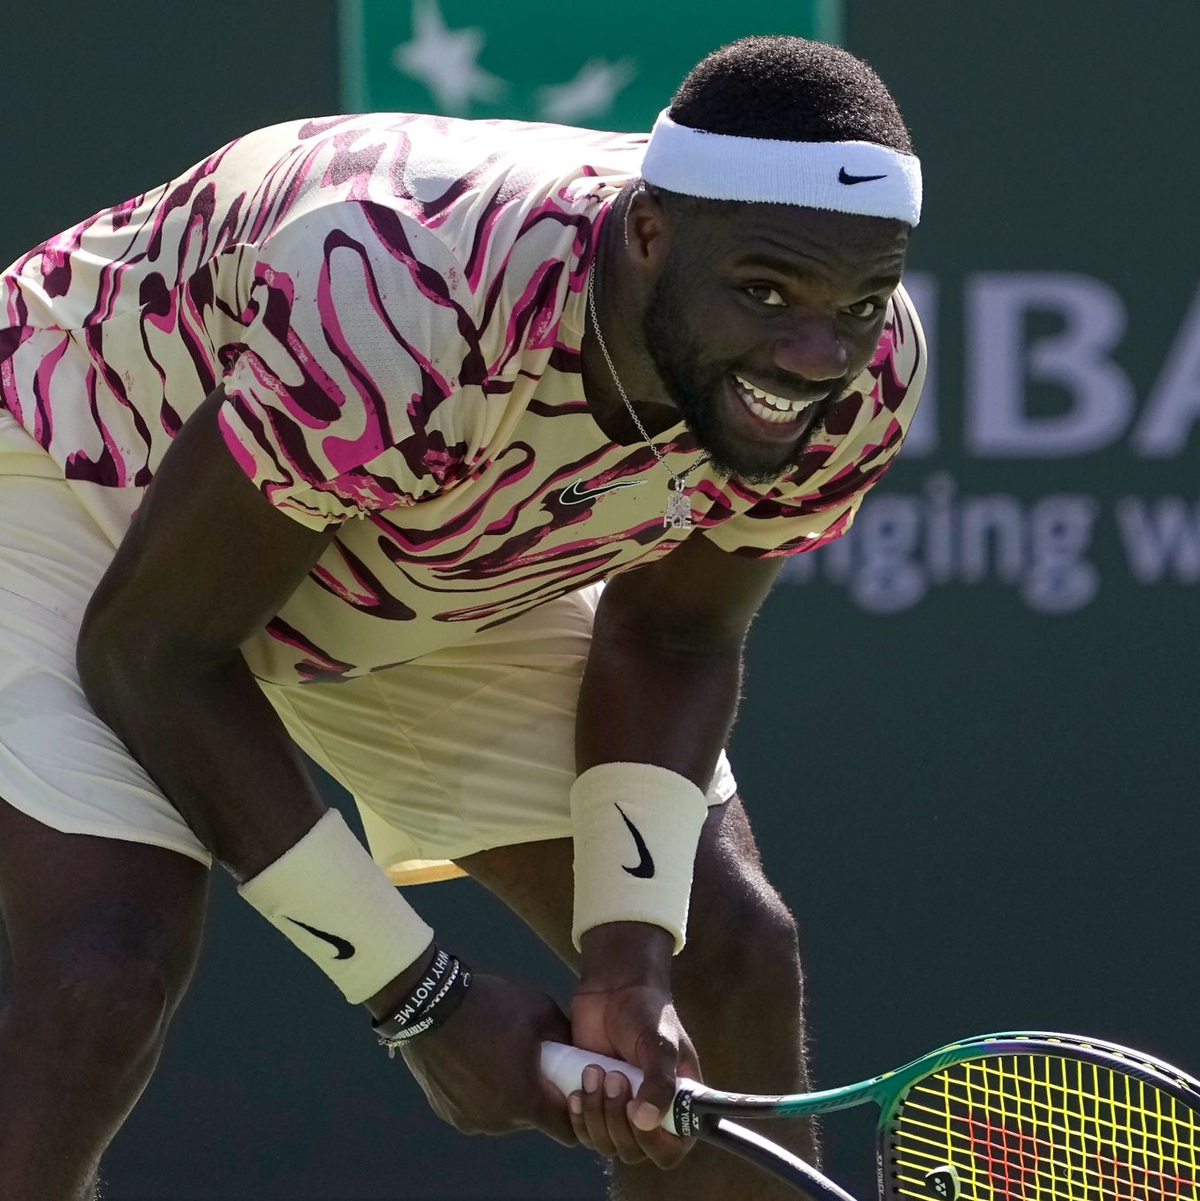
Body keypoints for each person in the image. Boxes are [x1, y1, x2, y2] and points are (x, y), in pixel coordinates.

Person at [0, 33, 924, 1201]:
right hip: (92, 465)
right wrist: (420, 1000)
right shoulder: (402, 284)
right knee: (103, 970)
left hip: (403, 525)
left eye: (859, 303)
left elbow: (673, 634)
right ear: (648, 234)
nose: (814, 353)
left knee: (720, 957)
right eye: (765, 293)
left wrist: (627, 954)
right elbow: (153, 652)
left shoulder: (860, 379)